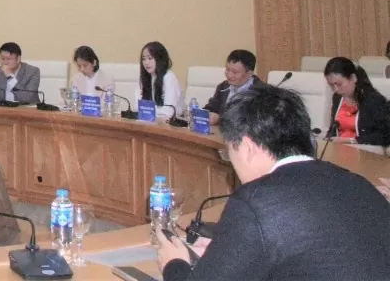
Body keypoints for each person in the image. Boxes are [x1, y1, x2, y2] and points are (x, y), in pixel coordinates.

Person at [156, 85, 390, 280]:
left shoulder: (255, 201)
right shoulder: (358, 184)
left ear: (247, 147)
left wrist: (174, 264)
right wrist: (228, 252)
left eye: (229, 153)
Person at [323, 56, 390, 146]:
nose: (335, 89)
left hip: (363, 150)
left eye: (339, 84)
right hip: (339, 149)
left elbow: (385, 136)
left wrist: (351, 140)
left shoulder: (373, 100)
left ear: (353, 78)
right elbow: (333, 129)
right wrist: (328, 139)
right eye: (331, 85)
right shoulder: (337, 98)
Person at [203, 49, 267, 125]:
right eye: (227, 69)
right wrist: (206, 114)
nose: (229, 75)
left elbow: (255, 122)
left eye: (235, 72)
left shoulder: (262, 92)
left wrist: (219, 119)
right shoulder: (223, 87)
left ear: (249, 74)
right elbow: (211, 108)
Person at [136, 41, 182, 118]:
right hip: (152, 121)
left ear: (160, 58)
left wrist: (148, 110)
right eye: (143, 59)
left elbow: (170, 111)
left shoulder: (169, 77)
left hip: (171, 122)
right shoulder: (145, 78)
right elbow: (137, 106)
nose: (146, 62)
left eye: (150, 58)